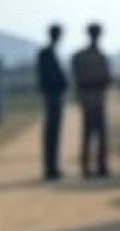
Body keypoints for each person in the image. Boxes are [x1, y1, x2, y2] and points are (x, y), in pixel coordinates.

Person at [72, 23, 112, 179]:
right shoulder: (102, 57)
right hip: (97, 97)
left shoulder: (79, 57)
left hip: (87, 98)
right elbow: (108, 79)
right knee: (99, 134)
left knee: (88, 134)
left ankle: (87, 166)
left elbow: (77, 78)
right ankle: (100, 165)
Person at [37, 24, 68, 180]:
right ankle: (50, 168)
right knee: (51, 132)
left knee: (54, 132)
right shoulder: (46, 53)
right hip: (52, 95)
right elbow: (47, 76)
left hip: (54, 95)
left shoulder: (51, 53)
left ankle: (52, 166)